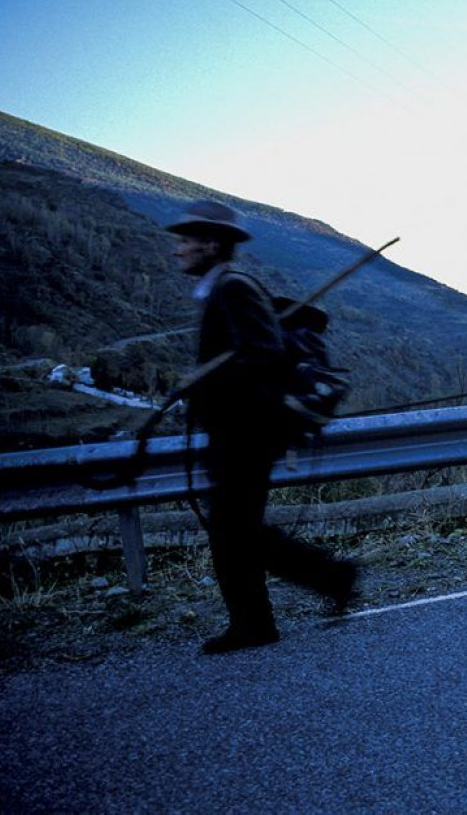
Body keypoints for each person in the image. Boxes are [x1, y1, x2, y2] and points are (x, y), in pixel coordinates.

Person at [169, 199, 358, 654]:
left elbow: (264, 353)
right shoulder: (224, 288)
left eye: (187, 240)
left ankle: (279, 608)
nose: (179, 249)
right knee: (236, 530)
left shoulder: (233, 287)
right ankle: (303, 592)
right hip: (238, 432)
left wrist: (203, 380)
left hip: (246, 434)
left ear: (212, 243)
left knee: (233, 530)